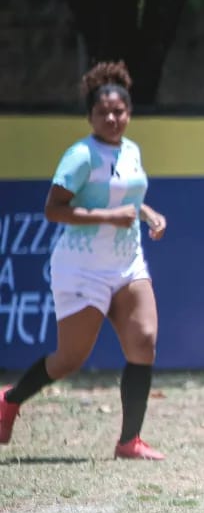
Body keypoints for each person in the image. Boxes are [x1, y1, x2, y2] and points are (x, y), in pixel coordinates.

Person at [0, 61, 168, 460]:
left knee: (144, 341)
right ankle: (9, 400)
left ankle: (130, 441)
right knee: (69, 359)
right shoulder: (80, 155)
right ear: (90, 116)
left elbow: (128, 198)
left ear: (129, 113)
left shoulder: (131, 150)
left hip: (127, 261)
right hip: (81, 266)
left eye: (120, 111)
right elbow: (53, 210)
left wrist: (148, 214)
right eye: (103, 112)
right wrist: (110, 217)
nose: (112, 117)